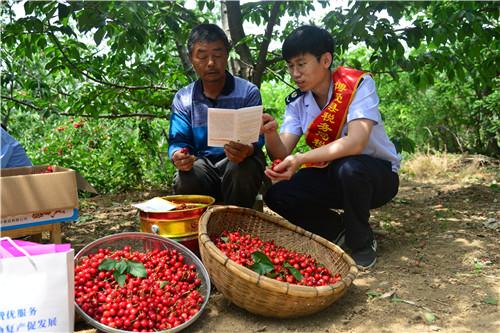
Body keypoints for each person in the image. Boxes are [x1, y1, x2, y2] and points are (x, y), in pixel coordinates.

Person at [261, 25, 400, 269]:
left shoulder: (358, 85)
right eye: (290, 66)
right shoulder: (298, 103)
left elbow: (356, 141)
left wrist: (301, 159)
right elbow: (282, 152)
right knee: (277, 194)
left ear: (325, 60)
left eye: (301, 64)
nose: (295, 73)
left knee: (350, 168)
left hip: (375, 177)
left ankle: (362, 242)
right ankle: (337, 230)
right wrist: (271, 133)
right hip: (333, 176)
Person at [168, 23, 265, 208]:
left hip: (238, 163)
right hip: (203, 166)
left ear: (227, 55)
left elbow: (257, 137)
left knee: (243, 167)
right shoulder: (184, 98)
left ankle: (237, 229)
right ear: (191, 59)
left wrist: (247, 149)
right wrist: (179, 155)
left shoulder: (248, 92)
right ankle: (200, 230)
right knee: (186, 177)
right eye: (202, 56)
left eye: (218, 55)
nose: (211, 63)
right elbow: (178, 141)